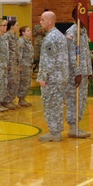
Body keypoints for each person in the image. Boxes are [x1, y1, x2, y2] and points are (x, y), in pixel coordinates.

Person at [37, 11, 67, 142]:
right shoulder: (60, 35)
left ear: (50, 21)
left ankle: (54, 132)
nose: (40, 22)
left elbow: (48, 61)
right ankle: (56, 131)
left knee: (50, 104)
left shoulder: (50, 38)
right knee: (57, 104)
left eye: (42, 20)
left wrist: (43, 77)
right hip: (60, 76)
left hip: (52, 78)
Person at [65, 8, 91, 138]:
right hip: (76, 74)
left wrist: (87, 71)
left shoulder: (83, 31)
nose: (88, 17)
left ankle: (77, 125)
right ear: (77, 16)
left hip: (84, 72)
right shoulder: (72, 32)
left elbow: (84, 53)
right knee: (73, 99)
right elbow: (70, 54)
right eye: (85, 14)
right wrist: (77, 72)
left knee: (81, 100)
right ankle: (72, 127)